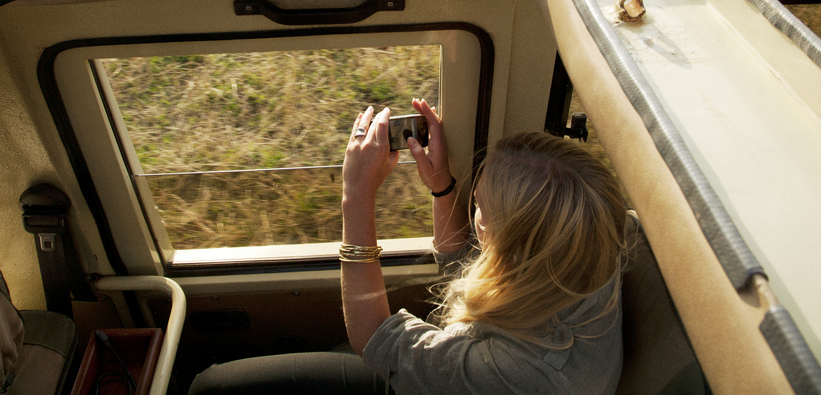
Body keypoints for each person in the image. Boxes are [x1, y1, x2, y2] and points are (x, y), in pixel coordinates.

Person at [189, 98, 628, 394]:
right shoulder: (585, 244)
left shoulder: (519, 375)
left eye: (479, 205)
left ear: (513, 247)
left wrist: (356, 195)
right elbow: (467, 263)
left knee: (210, 386)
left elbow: (375, 338)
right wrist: (441, 186)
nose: (473, 205)